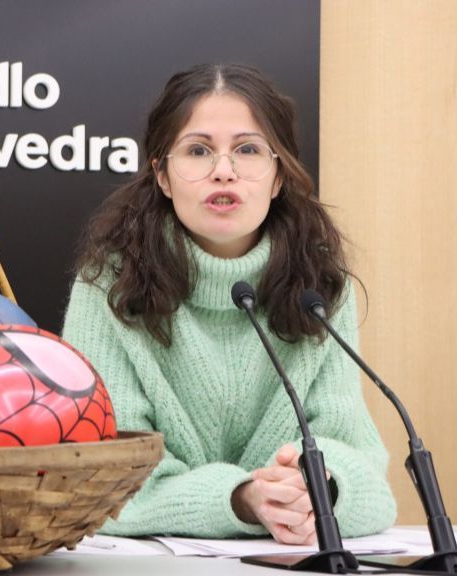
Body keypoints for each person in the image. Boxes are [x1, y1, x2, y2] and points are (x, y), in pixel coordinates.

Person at [61, 63, 396, 544]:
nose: (224, 171)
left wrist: (318, 490)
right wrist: (240, 498)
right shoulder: (109, 285)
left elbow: (364, 477)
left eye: (248, 150)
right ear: (162, 175)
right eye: (198, 151)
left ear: (278, 177)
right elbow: (101, 481)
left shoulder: (318, 287)